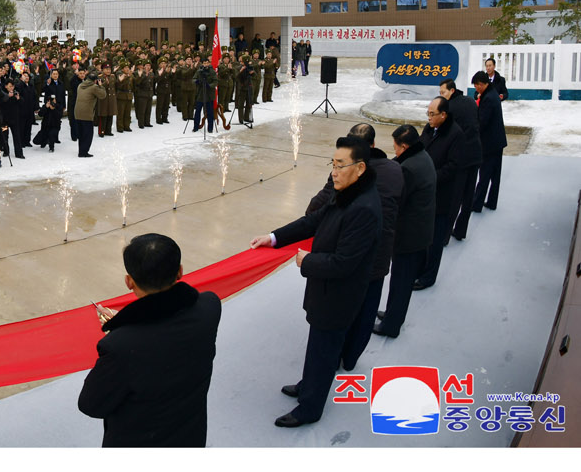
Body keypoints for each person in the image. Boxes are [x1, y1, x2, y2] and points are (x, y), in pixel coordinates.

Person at [250, 136, 381, 428]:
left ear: (359, 168)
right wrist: (273, 238)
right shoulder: (346, 192)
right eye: (332, 164)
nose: (333, 171)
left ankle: (309, 408)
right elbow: (312, 221)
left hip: (339, 295)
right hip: (325, 291)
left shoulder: (364, 208)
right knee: (318, 345)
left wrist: (306, 261)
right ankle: (308, 384)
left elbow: (345, 262)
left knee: (325, 350)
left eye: (340, 165)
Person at [78, 233, 221, 447]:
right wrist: (129, 325)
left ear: (129, 282)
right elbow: (167, 333)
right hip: (190, 437)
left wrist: (124, 329)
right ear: (180, 271)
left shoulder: (120, 346)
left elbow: (91, 404)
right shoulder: (210, 307)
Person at [301, 123, 401, 372]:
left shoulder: (371, 179)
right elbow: (325, 198)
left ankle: (340, 358)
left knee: (352, 310)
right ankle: (348, 356)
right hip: (376, 254)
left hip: (364, 254)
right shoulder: (391, 170)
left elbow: (324, 201)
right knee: (362, 310)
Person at [375, 124, 436, 338]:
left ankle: (391, 325)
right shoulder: (421, 156)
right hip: (419, 232)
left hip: (409, 236)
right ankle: (391, 314)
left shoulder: (410, 168)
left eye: (396, 147)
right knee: (401, 281)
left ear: (404, 145)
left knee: (401, 283)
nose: (395, 152)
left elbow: (397, 200)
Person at [413, 96, 472, 291]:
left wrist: (429, 176)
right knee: (422, 236)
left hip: (443, 195)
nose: (429, 118)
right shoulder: (430, 129)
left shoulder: (456, 135)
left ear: (444, 115)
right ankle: (419, 270)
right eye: (428, 113)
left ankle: (428, 277)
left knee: (435, 240)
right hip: (425, 195)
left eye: (432, 114)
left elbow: (453, 167)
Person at [440, 79, 482, 242]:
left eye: (443, 92)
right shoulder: (471, 101)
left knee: (455, 197)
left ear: (451, 90)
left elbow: (448, 135)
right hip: (476, 154)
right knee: (468, 196)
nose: (441, 95)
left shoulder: (449, 108)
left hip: (461, 158)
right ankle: (460, 231)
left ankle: (444, 236)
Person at [470, 71, 507, 212]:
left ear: (481, 84)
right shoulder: (492, 94)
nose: (476, 89)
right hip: (498, 141)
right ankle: (492, 202)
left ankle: (477, 204)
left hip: (490, 143)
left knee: (485, 174)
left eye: (476, 85)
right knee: (495, 175)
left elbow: (482, 122)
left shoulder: (488, 99)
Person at [73, 68, 106, 158]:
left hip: (77, 113)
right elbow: (103, 95)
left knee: (81, 134)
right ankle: (84, 152)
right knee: (87, 135)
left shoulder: (80, 85)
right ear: (95, 81)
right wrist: (101, 86)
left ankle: (81, 151)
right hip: (87, 114)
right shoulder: (94, 87)